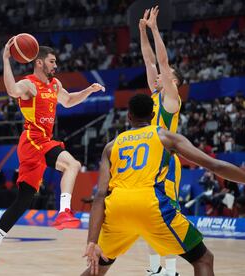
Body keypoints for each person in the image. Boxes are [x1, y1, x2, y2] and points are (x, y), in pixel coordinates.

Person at [0, 39, 105, 275]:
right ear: (39, 62)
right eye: (52, 61)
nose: (56, 65)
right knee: (73, 164)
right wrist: (5, 59)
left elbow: (68, 101)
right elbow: (11, 90)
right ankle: (64, 211)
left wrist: (88, 90)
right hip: (33, 140)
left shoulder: (55, 85)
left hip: (39, 144)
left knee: (24, 200)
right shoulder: (29, 84)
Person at [81, 94, 245, 276]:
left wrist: (91, 241)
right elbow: (215, 165)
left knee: (98, 266)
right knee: (203, 259)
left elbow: (100, 195)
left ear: (129, 117)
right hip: (150, 206)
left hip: (117, 209)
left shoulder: (111, 146)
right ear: (153, 115)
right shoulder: (166, 137)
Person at [140, 6, 185, 275]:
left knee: (167, 219)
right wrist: (142, 32)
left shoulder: (171, 100)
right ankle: (155, 269)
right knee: (149, 219)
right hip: (149, 164)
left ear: (173, 82)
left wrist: (156, 29)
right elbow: (149, 61)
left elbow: (162, 65)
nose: (157, 75)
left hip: (166, 165)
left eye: (164, 76)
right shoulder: (155, 96)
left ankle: (170, 271)